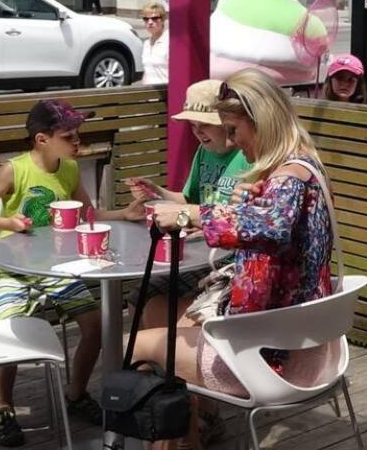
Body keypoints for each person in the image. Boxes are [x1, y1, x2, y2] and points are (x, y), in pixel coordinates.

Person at [138, 70, 337, 450]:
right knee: (157, 309)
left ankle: (181, 439)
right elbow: (281, 233)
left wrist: (188, 216)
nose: (230, 141)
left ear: (261, 121)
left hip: (267, 349)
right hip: (291, 330)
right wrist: (249, 202)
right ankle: (197, 428)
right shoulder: (304, 164)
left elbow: (275, 228)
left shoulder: (288, 178)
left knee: (139, 348)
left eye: (233, 130)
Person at [0, 100, 143, 446]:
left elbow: (89, 214)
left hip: (58, 268)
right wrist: (8, 222)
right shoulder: (13, 170)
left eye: (78, 135)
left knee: (95, 325)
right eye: (69, 136)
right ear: (42, 139)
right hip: (15, 269)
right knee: (9, 332)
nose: (78, 143)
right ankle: (3, 406)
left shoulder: (70, 170)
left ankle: (75, 394)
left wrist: (125, 213)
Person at [127, 80, 252, 328]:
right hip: (198, 253)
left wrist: (188, 217)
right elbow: (188, 199)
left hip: (226, 260)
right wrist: (158, 192)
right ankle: (149, 363)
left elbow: (241, 220)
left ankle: (160, 359)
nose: (197, 132)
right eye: (193, 126)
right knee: (137, 298)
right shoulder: (204, 151)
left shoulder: (248, 155)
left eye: (204, 124)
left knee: (164, 313)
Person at [140, 1, 168, 85]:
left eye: (155, 18)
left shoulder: (169, 42)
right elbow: (147, 72)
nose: (150, 22)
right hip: (149, 95)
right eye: (146, 19)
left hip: (165, 93)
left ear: (163, 20)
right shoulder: (146, 44)